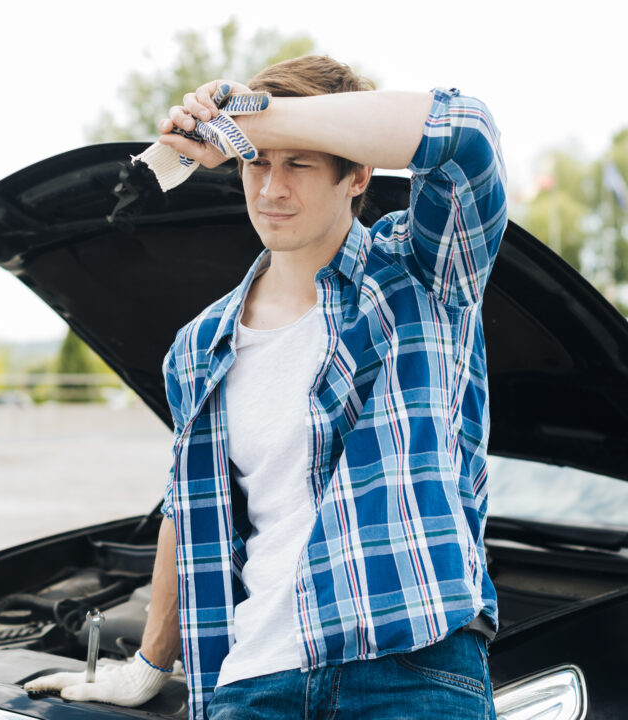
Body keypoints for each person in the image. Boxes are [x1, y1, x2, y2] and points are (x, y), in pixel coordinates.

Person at [26, 54, 507, 720]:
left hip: (408, 672)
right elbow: (189, 511)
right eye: (256, 162)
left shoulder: (421, 278)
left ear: (357, 173)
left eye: (299, 163)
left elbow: (467, 133)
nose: (270, 189)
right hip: (253, 682)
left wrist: (251, 117)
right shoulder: (199, 347)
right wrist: (148, 665)